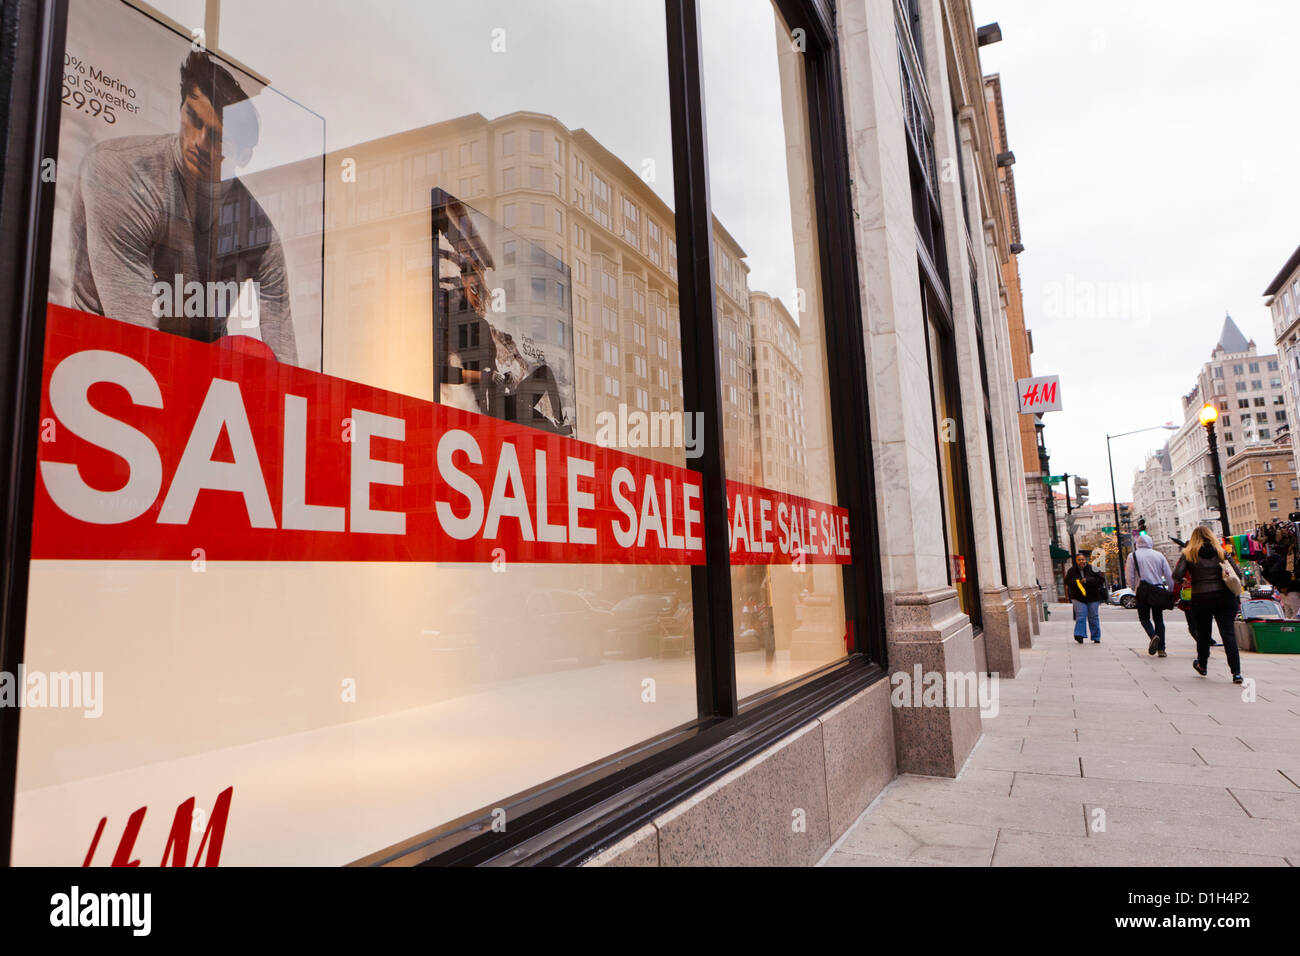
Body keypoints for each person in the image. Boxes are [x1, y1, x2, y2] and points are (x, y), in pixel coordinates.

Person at [69, 51, 297, 364]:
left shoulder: (258, 232)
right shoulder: (123, 174)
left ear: (243, 156)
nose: (199, 143)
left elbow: (287, 364)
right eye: (193, 119)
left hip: (196, 375)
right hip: (100, 359)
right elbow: (134, 344)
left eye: (217, 137)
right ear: (180, 110)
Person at [1172, 525, 1246, 684]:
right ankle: (1236, 673)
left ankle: (1202, 665)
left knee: (1204, 633)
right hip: (1224, 597)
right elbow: (1238, 574)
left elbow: (1176, 575)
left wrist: (1185, 580)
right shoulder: (1221, 552)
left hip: (1201, 597)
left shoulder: (1189, 553)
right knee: (1228, 634)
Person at [1126, 535, 1174, 657]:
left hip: (1142, 590)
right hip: (1157, 589)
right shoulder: (1158, 555)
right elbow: (1169, 575)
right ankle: (1161, 649)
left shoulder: (1133, 556)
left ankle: (1153, 636)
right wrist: (1171, 590)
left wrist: (1133, 587)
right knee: (1158, 619)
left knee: (1144, 618)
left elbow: (1130, 575)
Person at [1064, 552, 1105, 644]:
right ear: (1076, 561)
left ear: (1085, 560)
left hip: (1093, 597)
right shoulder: (1071, 570)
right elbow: (1067, 581)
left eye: (1082, 559)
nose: (1081, 561)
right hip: (1078, 598)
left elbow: (1101, 580)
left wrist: (1088, 580)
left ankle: (1096, 637)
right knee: (1081, 616)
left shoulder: (1093, 569)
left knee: (1093, 617)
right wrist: (1077, 581)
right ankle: (1079, 635)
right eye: (1079, 560)